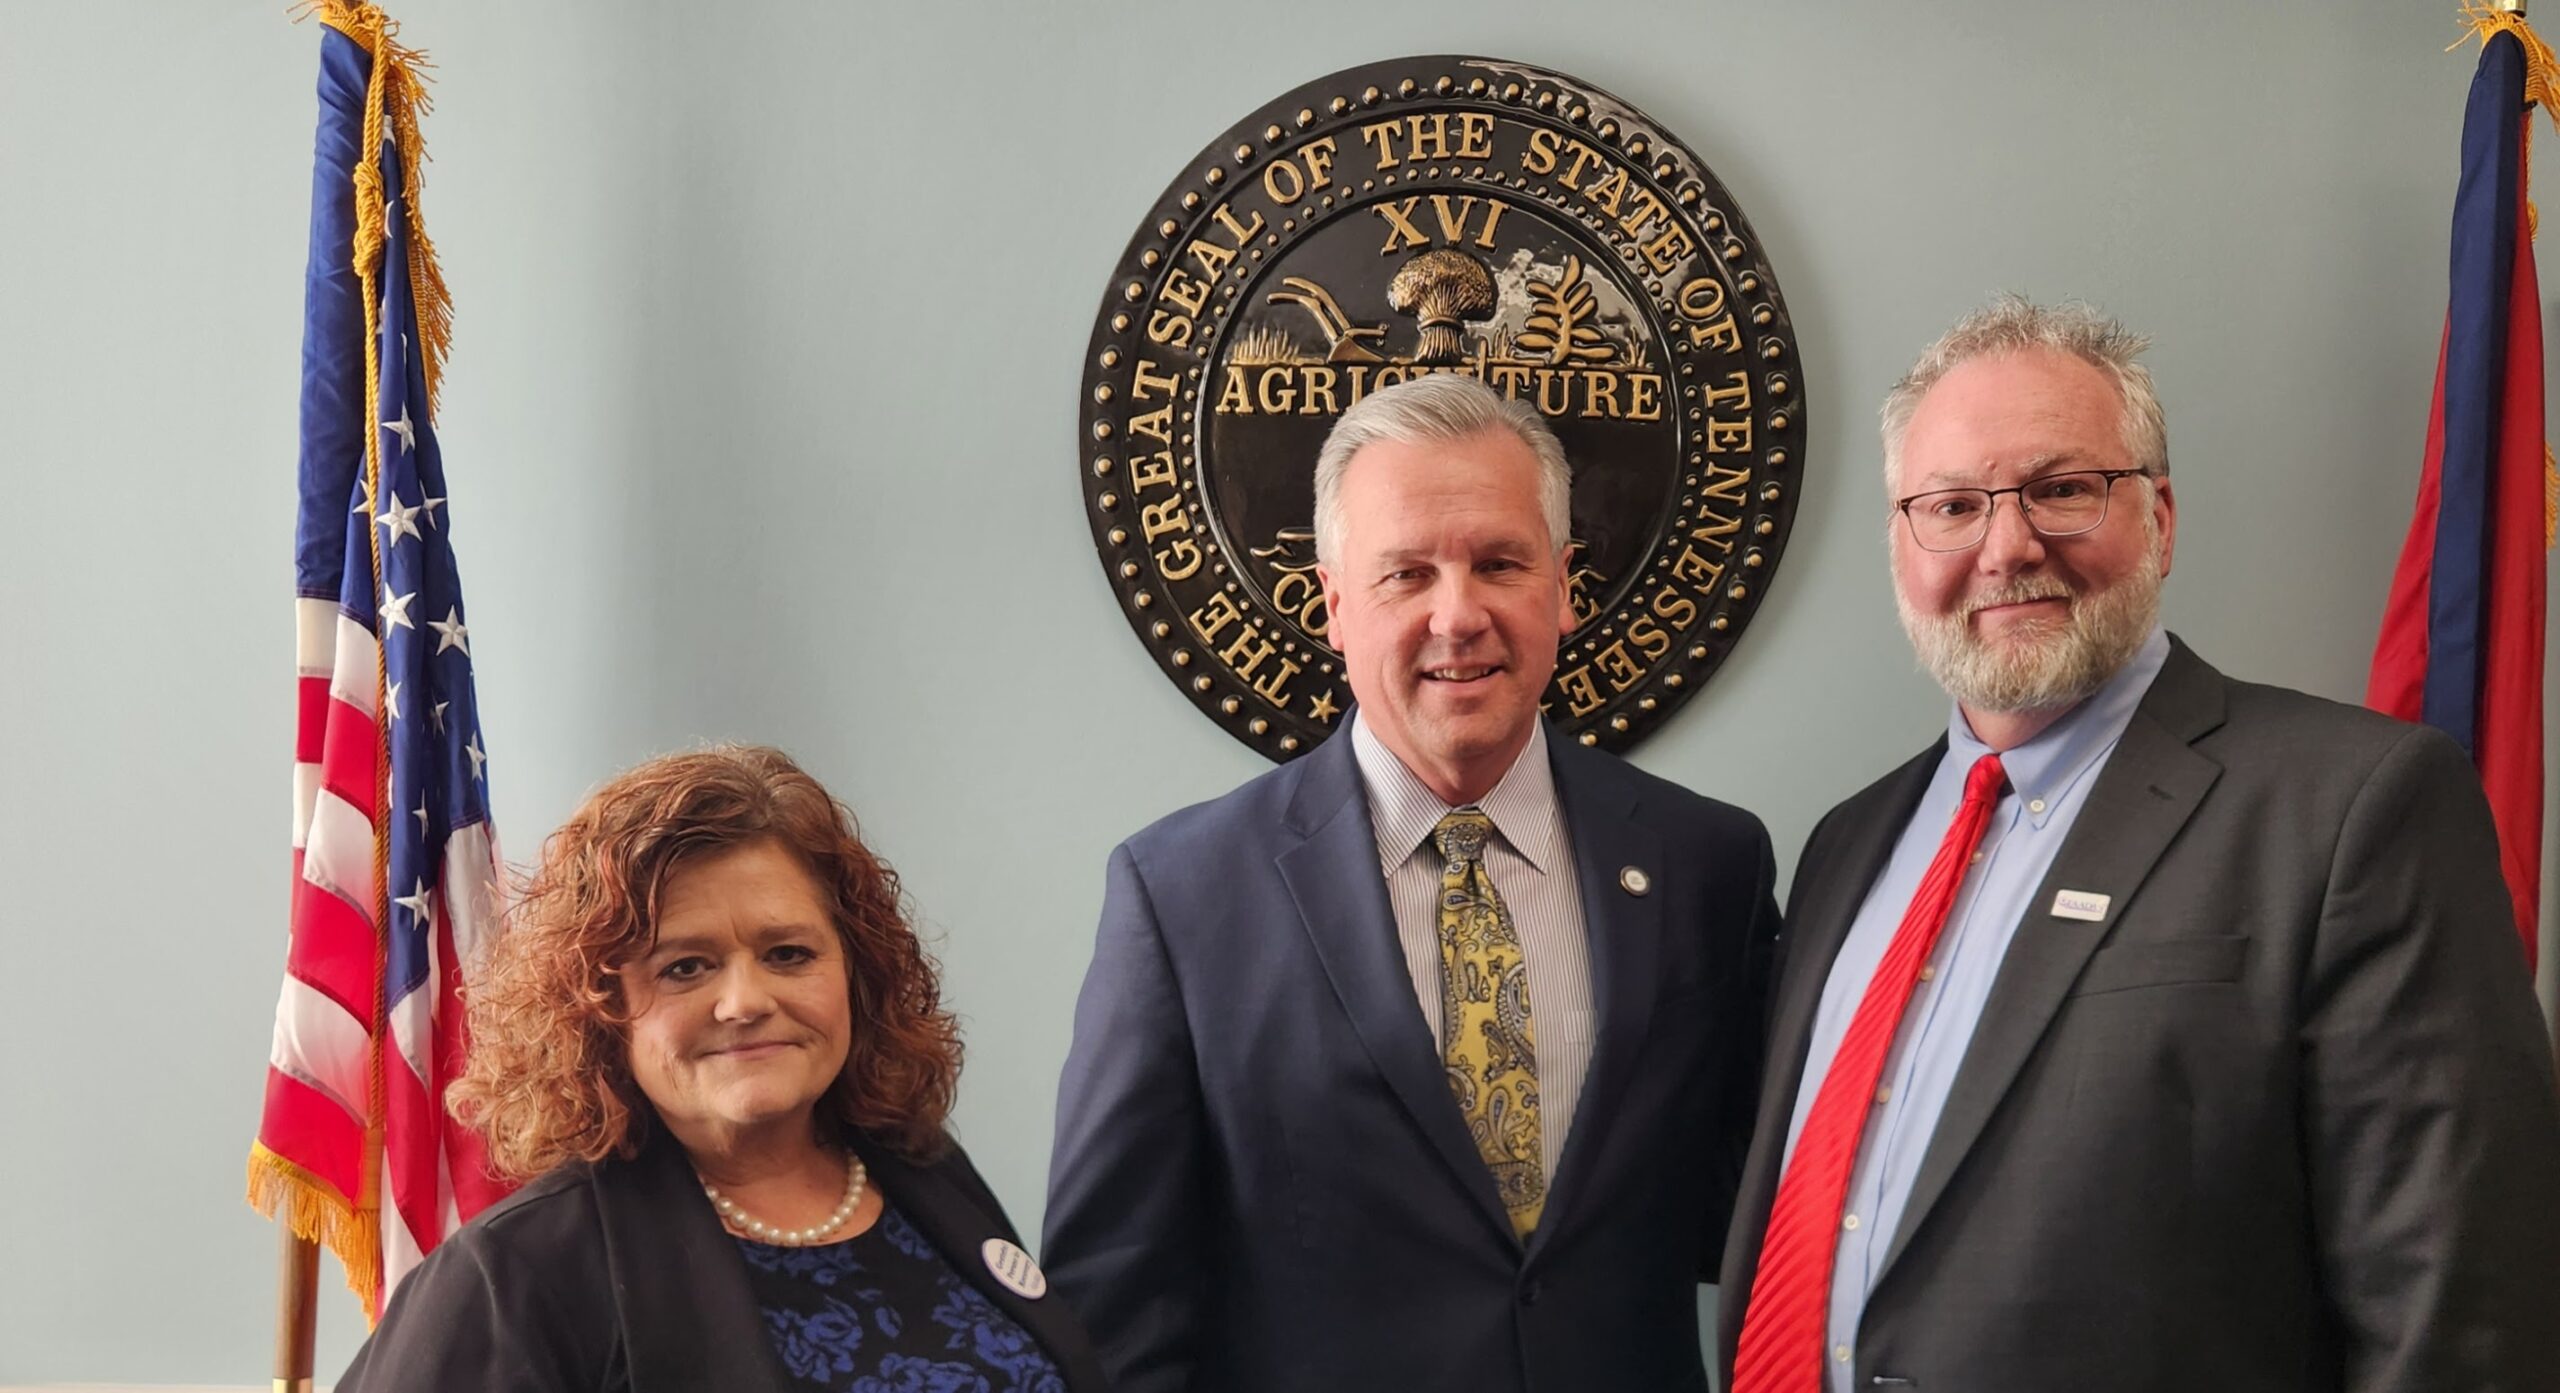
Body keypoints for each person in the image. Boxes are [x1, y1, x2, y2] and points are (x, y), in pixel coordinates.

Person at [1718, 295, 2560, 1393]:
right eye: (1953, 505)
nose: (2005, 547)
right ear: (1901, 542)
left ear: (2159, 517)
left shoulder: (2354, 806)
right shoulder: (1848, 844)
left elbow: (2458, 1308)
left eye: (2062, 489)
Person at [1045, 374, 1779, 1392]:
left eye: (1499, 563)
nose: (1458, 614)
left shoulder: (1709, 866)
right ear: (1335, 604)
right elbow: (1110, 1311)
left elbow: (1760, 1214)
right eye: (1406, 574)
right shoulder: (1180, 898)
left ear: (1562, 585)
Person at [338, 745, 1107, 1393]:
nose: (745, 1001)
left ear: (857, 973)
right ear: (601, 1006)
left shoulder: (925, 1170)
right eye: (685, 966)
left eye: (788, 953)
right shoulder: (514, 1274)